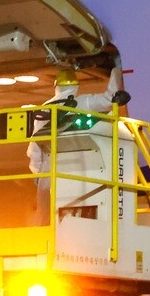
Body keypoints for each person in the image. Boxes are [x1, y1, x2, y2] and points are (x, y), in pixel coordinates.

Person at [27, 64, 131, 220]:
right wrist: (116, 71)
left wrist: (38, 173)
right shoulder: (83, 103)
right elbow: (108, 99)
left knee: (46, 217)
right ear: (76, 86)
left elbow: (34, 148)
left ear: (56, 86)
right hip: (82, 168)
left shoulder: (43, 110)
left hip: (49, 171)